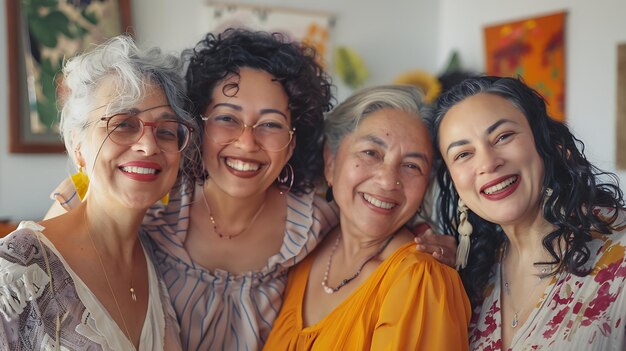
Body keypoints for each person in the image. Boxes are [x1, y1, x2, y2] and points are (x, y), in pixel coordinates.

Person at [46, 29, 457, 350]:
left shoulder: (312, 225)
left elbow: (372, 219)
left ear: (293, 143)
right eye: (227, 118)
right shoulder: (152, 199)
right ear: (197, 127)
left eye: (272, 124)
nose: (247, 142)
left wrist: (422, 239)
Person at [0, 35, 195, 350]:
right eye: (123, 124)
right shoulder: (16, 269)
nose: (148, 145)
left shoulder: (161, 257)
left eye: (166, 131)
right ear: (78, 147)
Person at [264, 85, 471, 350]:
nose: (387, 181)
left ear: (426, 186)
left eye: (411, 165)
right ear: (331, 160)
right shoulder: (302, 247)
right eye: (371, 153)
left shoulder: (421, 279)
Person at [431, 76, 626, 350]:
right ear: (453, 180)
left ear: (542, 140)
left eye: (503, 136)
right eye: (463, 154)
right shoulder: (472, 277)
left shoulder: (620, 250)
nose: (488, 162)